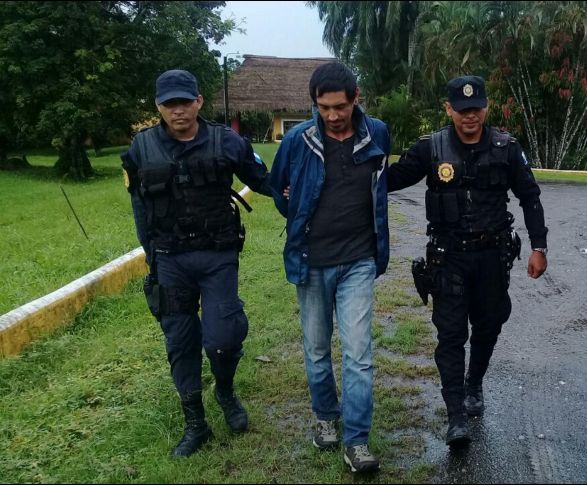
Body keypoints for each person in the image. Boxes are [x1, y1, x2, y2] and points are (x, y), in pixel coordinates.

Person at [387, 75, 548, 447]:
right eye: (462, 110)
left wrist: (539, 246)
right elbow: (391, 179)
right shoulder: (431, 148)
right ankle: (455, 415)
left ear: (486, 107)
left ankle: (474, 383)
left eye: (475, 109)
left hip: (492, 255)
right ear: (449, 109)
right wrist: (361, 166)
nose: (469, 117)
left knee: (489, 324)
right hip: (449, 257)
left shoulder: (507, 147)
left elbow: (530, 196)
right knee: (451, 334)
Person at [121, 69, 273, 457]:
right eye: (169, 104)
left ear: (198, 101)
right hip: (170, 259)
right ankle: (195, 423)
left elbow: (265, 181)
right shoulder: (141, 148)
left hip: (217, 255)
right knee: (180, 340)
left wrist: (305, 198)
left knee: (224, 337)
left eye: (184, 102)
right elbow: (140, 207)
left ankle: (225, 391)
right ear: (158, 106)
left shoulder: (226, 141)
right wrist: (151, 256)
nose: (178, 111)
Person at [268, 61, 390, 473]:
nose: (333, 116)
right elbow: (280, 191)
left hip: (358, 260)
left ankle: (356, 440)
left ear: (356, 99)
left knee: (358, 354)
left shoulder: (378, 133)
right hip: (311, 260)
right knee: (317, 350)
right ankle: (325, 414)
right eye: (324, 108)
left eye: (340, 106)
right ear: (315, 104)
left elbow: (381, 184)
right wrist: (293, 203)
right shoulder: (297, 140)